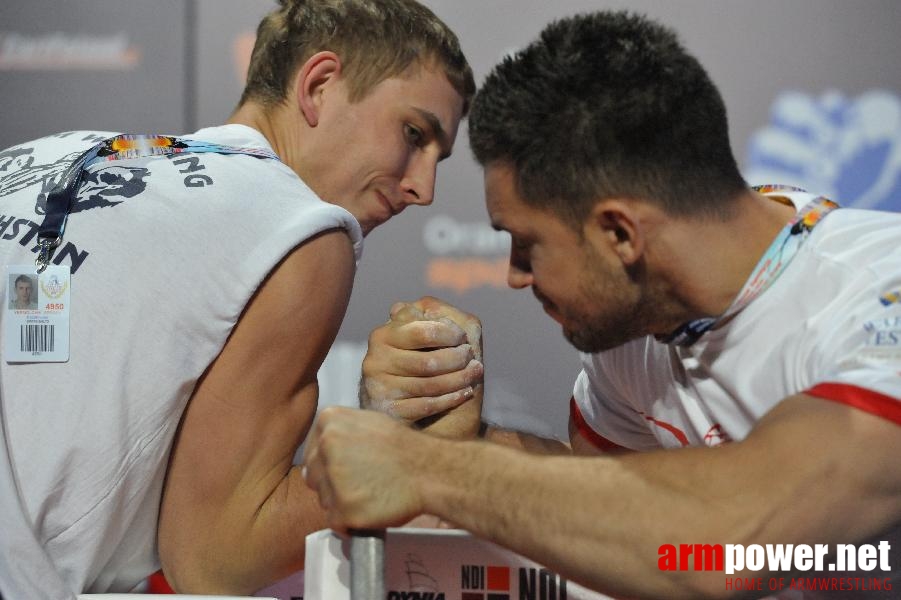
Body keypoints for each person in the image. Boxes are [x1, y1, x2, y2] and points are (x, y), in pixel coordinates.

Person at [302, 10, 901, 600]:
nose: (512, 275)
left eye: (527, 245)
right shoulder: (636, 333)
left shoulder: (876, 296)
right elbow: (618, 510)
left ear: (619, 235)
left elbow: (733, 542)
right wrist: (462, 439)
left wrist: (428, 472)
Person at [0, 0, 474, 597]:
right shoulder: (302, 229)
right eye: (414, 133)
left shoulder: (45, 155)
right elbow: (212, 562)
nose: (422, 188)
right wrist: (400, 452)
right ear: (320, 85)